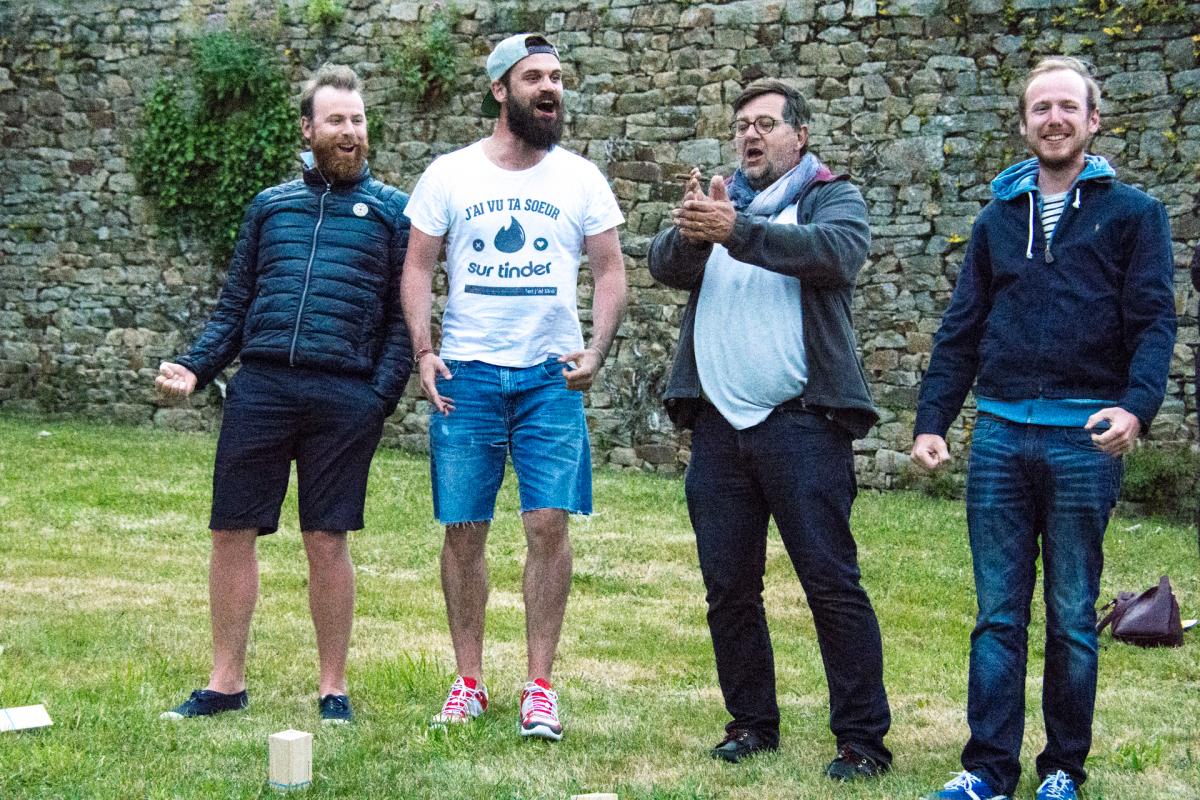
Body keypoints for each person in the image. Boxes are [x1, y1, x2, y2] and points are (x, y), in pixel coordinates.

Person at [912, 56, 1176, 800]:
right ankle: (987, 771)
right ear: (1025, 125)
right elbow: (961, 329)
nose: (1054, 119)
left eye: (1068, 107)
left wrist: (1135, 408)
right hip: (1000, 436)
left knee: (1071, 618)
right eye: (1041, 109)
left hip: (1082, 441)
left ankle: (1062, 770)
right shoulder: (997, 219)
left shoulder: (1135, 215)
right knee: (997, 616)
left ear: (1093, 121)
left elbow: (1154, 323)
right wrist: (933, 420)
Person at [648, 79, 892, 780]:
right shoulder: (721, 201)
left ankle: (862, 741)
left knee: (831, 584)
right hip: (720, 430)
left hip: (803, 427)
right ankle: (751, 724)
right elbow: (664, 263)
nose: (749, 136)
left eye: (765, 124)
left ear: (800, 136)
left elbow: (834, 254)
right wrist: (694, 233)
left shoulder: (830, 197)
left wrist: (736, 231)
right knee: (729, 588)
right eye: (741, 127)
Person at [155, 63, 411, 725]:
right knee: (230, 531)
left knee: (326, 540)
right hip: (262, 387)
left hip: (345, 397)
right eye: (336, 120)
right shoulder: (269, 207)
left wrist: (378, 398)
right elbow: (235, 305)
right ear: (307, 129)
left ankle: (333, 690)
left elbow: (405, 319)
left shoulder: (394, 212)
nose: (350, 131)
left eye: (358, 120)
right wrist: (196, 367)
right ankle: (225, 684)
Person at [399, 33, 626, 741]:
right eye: (534, 78)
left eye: (556, 76)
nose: (550, 87)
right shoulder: (450, 174)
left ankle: (539, 687)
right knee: (464, 528)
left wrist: (596, 348)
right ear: (501, 90)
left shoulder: (581, 179)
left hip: (549, 377)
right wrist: (424, 350)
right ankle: (468, 681)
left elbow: (611, 270)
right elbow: (416, 267)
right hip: (466, 374)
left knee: (547, 524)